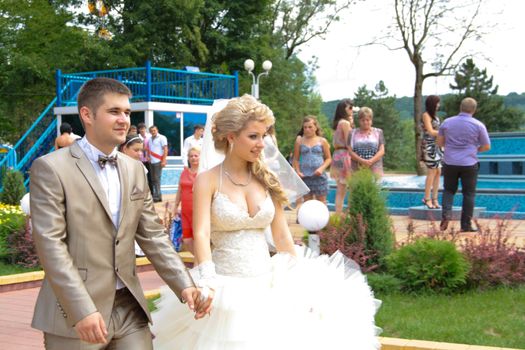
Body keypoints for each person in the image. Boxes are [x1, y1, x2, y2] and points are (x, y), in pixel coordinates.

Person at [151, 95, 380, 349]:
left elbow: (281, 236)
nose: (262, 144)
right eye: (253, 136)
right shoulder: (207, 180)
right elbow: (202, 233)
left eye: (264, 136)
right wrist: (207, 281)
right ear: (231, 136)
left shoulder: (267, 178)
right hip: (225, 285)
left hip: (267, 284)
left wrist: (300, 280)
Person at [29, 77, 207, 350]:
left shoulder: (135, 169)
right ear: (87, 115)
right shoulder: (51, 169)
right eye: (114, 112)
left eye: (127, 112)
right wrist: (81, 309)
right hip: (75, 311)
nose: (124, 119)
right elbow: (51, 245)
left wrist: (184, 284)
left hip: (129, 307)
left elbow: (153, 236)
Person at [438, 97, 491, 232]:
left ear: (460, 107)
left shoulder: (447, 122)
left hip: (450, 162)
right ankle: (466, 225)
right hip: (469, 163)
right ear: (474, 110)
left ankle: (446, 215)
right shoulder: (478, 125)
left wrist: (451, 148)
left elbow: (440, 142)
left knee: (449, 190)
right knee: (469, 194)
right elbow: (486, 146)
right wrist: (475, 149)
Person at [292, 116, 332, 204]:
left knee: (321, 202)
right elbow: (295, 159)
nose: (307, 129)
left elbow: (328, 159)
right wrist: (298, 171)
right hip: (305, 176)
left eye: (310, 127)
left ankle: (323, 218)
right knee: (307, 203)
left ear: (315, 127)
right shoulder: (299, 141)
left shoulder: (322, 141)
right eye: (305, 127)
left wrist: (321, 169)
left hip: (319, 176)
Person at [119, 133, 147, 257]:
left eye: (141, 150)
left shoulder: (140, 167)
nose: (140, 154)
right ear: (124, 148)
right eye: (136, 150)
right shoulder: (116, 166)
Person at [173, 146, 200, 255]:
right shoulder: (184, 172)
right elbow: (179, 190)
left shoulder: (204, 173)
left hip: (198, 212)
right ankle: (198, 261)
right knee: (187, 240)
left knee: (199, 240)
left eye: (196, 156)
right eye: (191, 156)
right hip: (185, 212)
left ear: (200, 157)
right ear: (188, 158)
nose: (193, 158)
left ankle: (199, 263)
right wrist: (175, 206)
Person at [330, 98, 354, 214]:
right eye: (350, 107)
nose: (352, 109)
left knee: (340, 189)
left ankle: (338, 215)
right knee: (351, 188)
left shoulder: (338, 123)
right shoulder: (345, 123)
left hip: (337, 155)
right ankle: (350, 214)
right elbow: (350, 142)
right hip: (345, 156)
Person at [420, 95, 444, 209]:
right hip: (429, 146)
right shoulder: (426, 115)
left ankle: (435, 198)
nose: (438, 105)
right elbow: (430, 131)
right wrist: (444, 133)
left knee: (438, 171)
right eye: (437, 103)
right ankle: (427, 198)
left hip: (437, 146)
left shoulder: (436, 117)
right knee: (432, 171)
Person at [349, 107, 385, 177]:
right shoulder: (352, 133)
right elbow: (350, 151)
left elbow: (382, 150)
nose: (365, 122)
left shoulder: (379, 132)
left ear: (371, 120)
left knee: (375, 187)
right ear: (359, 121)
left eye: (367, 120)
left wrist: (370, 161)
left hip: (375, 167)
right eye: (363, 120)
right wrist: (362, 161)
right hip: (357, 168)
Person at [147, 125, 168, 202]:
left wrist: (164, 160)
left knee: (157, 179)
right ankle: (156, 196)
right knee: (153, 179)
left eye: (154, 130)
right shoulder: (149, 139)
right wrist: (148, 157)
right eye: (151, 131)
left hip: (158, 161)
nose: (153, 132)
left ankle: (158, 196)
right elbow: (149, 149)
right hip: (151, 161)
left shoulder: (162, 138)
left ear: (157, 130)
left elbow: (165, 149)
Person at [137, 122, 153, 193]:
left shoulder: (149, 137)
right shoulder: (137, 137)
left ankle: (151, 193)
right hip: (140, 160)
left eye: (143, 128)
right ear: (139, 130)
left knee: (150, 177)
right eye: (141, 129)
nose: (142, 130)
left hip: (148, 159)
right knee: (141, 177)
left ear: (145, 129)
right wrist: (143, 149)